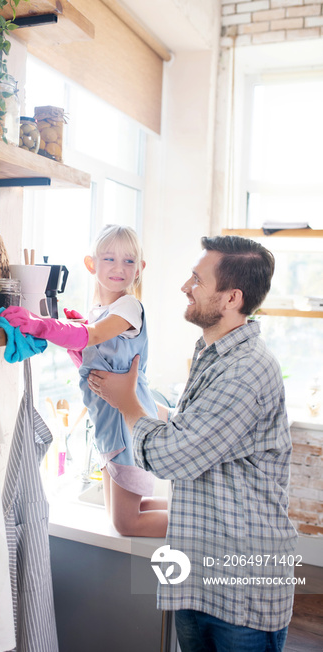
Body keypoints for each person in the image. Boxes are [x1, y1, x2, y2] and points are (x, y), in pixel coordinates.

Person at [86, 235, 298, 652]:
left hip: (241, 595)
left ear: (231, 297)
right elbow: (196, 429)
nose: (186, 286)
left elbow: (172, 457)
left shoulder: (246, 370)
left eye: (197, 280)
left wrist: (128, 404)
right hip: (200, 579)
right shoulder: (212, 354)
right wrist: (138, 403)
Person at [0, 225, 168, 537]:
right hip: (108, 423)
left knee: (126, 522)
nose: (119, 268)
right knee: (121, 513)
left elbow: (92, 335)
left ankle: (205, 526)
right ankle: (195, 512)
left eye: (129, 262)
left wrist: (43, 325)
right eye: (109, 259)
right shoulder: (101, 311)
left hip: (124, 423)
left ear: (140, 269)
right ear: (91, 264)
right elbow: (96, 352)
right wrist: (79, 347)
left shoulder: (128, 306)